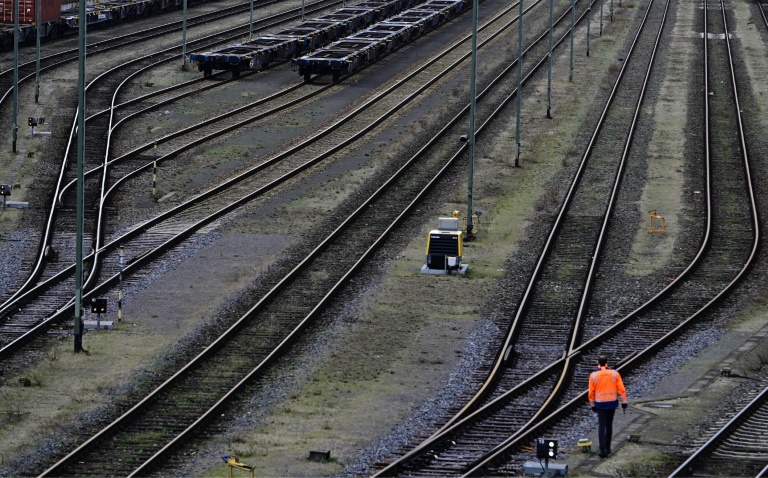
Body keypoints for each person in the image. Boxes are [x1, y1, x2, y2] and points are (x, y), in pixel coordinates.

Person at [588, 355, 628, 458]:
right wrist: (624, 403)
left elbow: (591, 393)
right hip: (611, 404)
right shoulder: (615, 374)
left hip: (600, 404)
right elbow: (621, 389)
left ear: (598, 363)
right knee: (609, 425)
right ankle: (608, 448)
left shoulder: (593, 376)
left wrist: (592, 405)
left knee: (601, 426)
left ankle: (602, 450)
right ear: (607, 363)